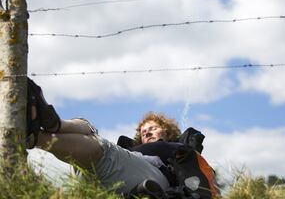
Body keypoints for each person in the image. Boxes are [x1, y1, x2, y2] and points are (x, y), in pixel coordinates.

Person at [26, 78, 215, 197]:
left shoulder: (178, 149)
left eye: (153, 128)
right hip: (105, 169)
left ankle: (35, 136)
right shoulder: (132, 151)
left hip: (153, 175)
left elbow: (204, 184)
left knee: (103, 150)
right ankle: (54, 125)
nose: (147, 132)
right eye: (143, 132)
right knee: (88, 129)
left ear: (168, 131)